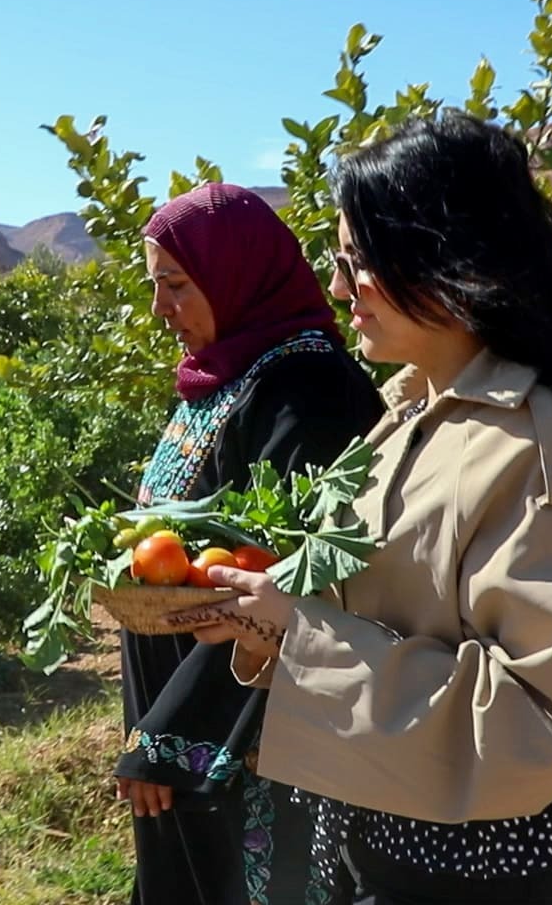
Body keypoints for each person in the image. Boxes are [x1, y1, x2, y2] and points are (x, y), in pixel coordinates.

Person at [175, 114, 552, 904]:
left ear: (445, 256)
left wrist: (297, 635)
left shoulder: (543, 442)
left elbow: (538, 716)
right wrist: (265, 613)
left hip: (491, 872)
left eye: (358, 262)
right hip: (396, 838)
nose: (340, 289)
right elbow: (395, 610)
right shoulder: (412, 412)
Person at [117, 182, 383, 905]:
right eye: (155, 285)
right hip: (174, 700)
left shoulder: (306, 390)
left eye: (176, 284)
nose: (159, 307)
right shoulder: (225, 375)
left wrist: (168, 737)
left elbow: (286, 583)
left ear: (235, 273)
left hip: (241, 723)